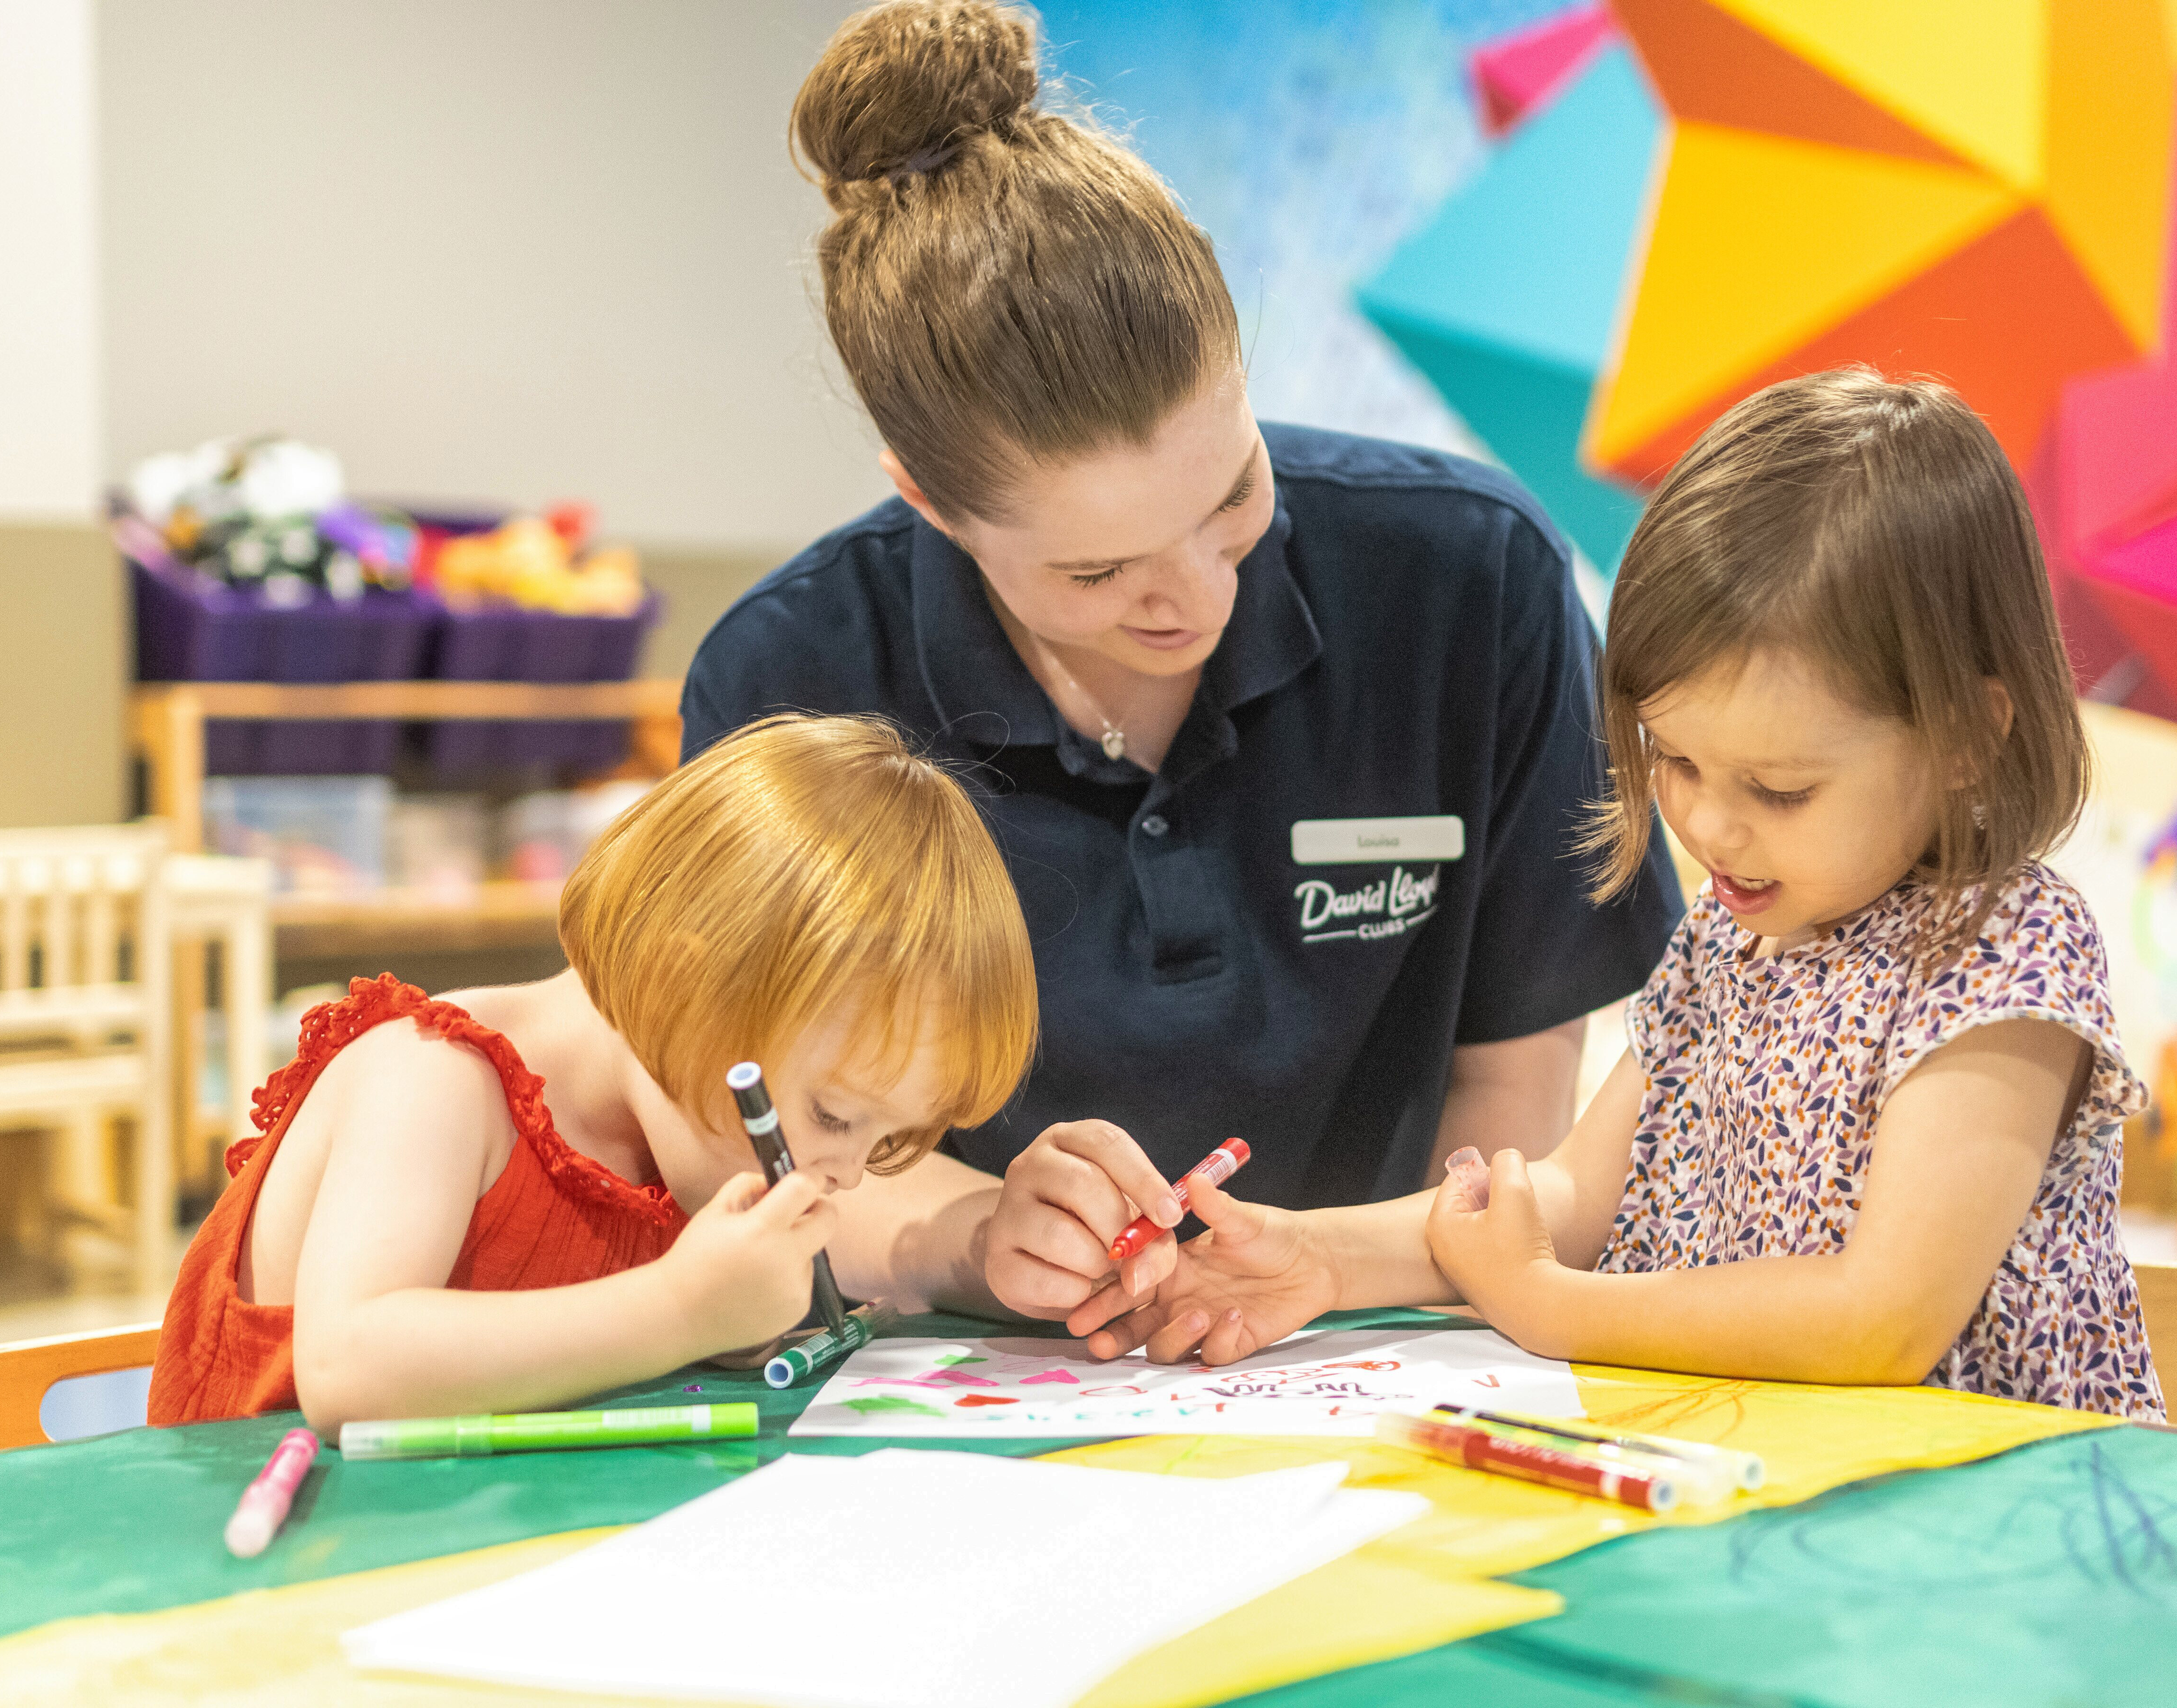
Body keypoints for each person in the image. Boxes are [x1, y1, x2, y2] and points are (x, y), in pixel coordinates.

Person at [683, 0, 1681, 1326]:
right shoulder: (789, 672)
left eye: (1231, 495)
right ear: (928, 499)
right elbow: (737, 1149)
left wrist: (1374, 1282)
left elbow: (1521, 1056)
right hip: (962, 1392)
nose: (1197, 596)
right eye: (1096, 573)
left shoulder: (1468, 580)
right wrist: (965, 1237)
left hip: (1372, 1354)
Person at [1060, 370, 2167, 1419]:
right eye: (1674, 761)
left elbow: (1879, 1320)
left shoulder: (2003, 952)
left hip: (1984, 1524)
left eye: (1777, 789)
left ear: (1969, 734)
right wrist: (1319, 1254)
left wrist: (1550, 1309)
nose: (1708, 825)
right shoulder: (1732, 940)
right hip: (1766, 1482)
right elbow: (1572, 1200)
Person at [146, 716, 1038, 1430]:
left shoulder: (680, 1140)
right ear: (684, 988)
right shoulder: (435, 1078)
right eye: (835, 1116)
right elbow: (349, 1366)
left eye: (890, 1140)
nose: (844, 1172)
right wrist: (679, 1310)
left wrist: (731, 1322)